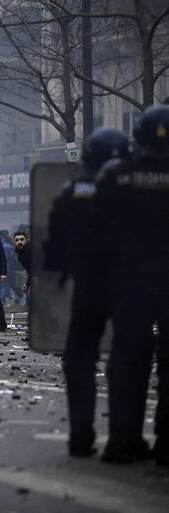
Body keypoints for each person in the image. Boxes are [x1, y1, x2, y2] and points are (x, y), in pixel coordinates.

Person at [45, 127, 131, 458]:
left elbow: (55, 249)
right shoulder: (134, 190)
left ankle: (81, 436)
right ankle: (126, 438)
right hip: (131, 287)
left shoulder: (72, 193)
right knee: (129, 358)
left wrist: (60, 276)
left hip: (89, 286)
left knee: (80, 358)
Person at [92, 110, 169, 465]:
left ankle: (124, 439)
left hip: (130, 280)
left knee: (128, 360)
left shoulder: (116, 174)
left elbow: (98, 230)